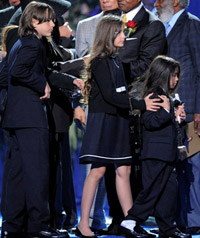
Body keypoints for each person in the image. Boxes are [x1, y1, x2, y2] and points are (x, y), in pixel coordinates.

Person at [75, 14, 161, 238]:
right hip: (104, 121)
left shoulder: (115, 61)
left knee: (124, 170)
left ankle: (129, 223)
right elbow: (112, 96)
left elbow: (119, 94)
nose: (125, 36)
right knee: (98, 171)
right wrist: (142, 104)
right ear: (109, 35)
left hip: (119, 120)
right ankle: (83, 224)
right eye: (121, 33)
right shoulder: (100, 62)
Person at [0, 2, 68, 238]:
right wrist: (43, 83)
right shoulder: (33, 44)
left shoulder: (19, 42)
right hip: (30, 117)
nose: (53, 24)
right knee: (37, 172)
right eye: (48, 20)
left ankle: (12, 226)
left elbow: (9, 71)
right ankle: (38, 226)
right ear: (33, 22)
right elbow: (17, 71)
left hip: (15, 117)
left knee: (17, 175)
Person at [120, 55, 192, 238]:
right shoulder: (154, 95)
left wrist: (178, 119)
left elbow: (166, 124)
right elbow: (150, 121)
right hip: (155, 154)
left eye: (177, 75)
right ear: (163, 74)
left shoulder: (166, 96)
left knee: (168, 193)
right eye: (173, 75)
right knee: (151, 191)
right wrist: (168, 112)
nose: (176, 79)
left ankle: (167, 228)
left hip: (167, 154)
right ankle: (130, 221)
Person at [154, 0, 200, 235]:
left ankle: (194, 221)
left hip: (191, 109)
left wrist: (199, 108)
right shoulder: (163, 27)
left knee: (193, 166)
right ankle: (179, 220)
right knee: (178, 166)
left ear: (174, 2)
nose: (155, 3)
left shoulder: (192, 25)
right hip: (170, 108)